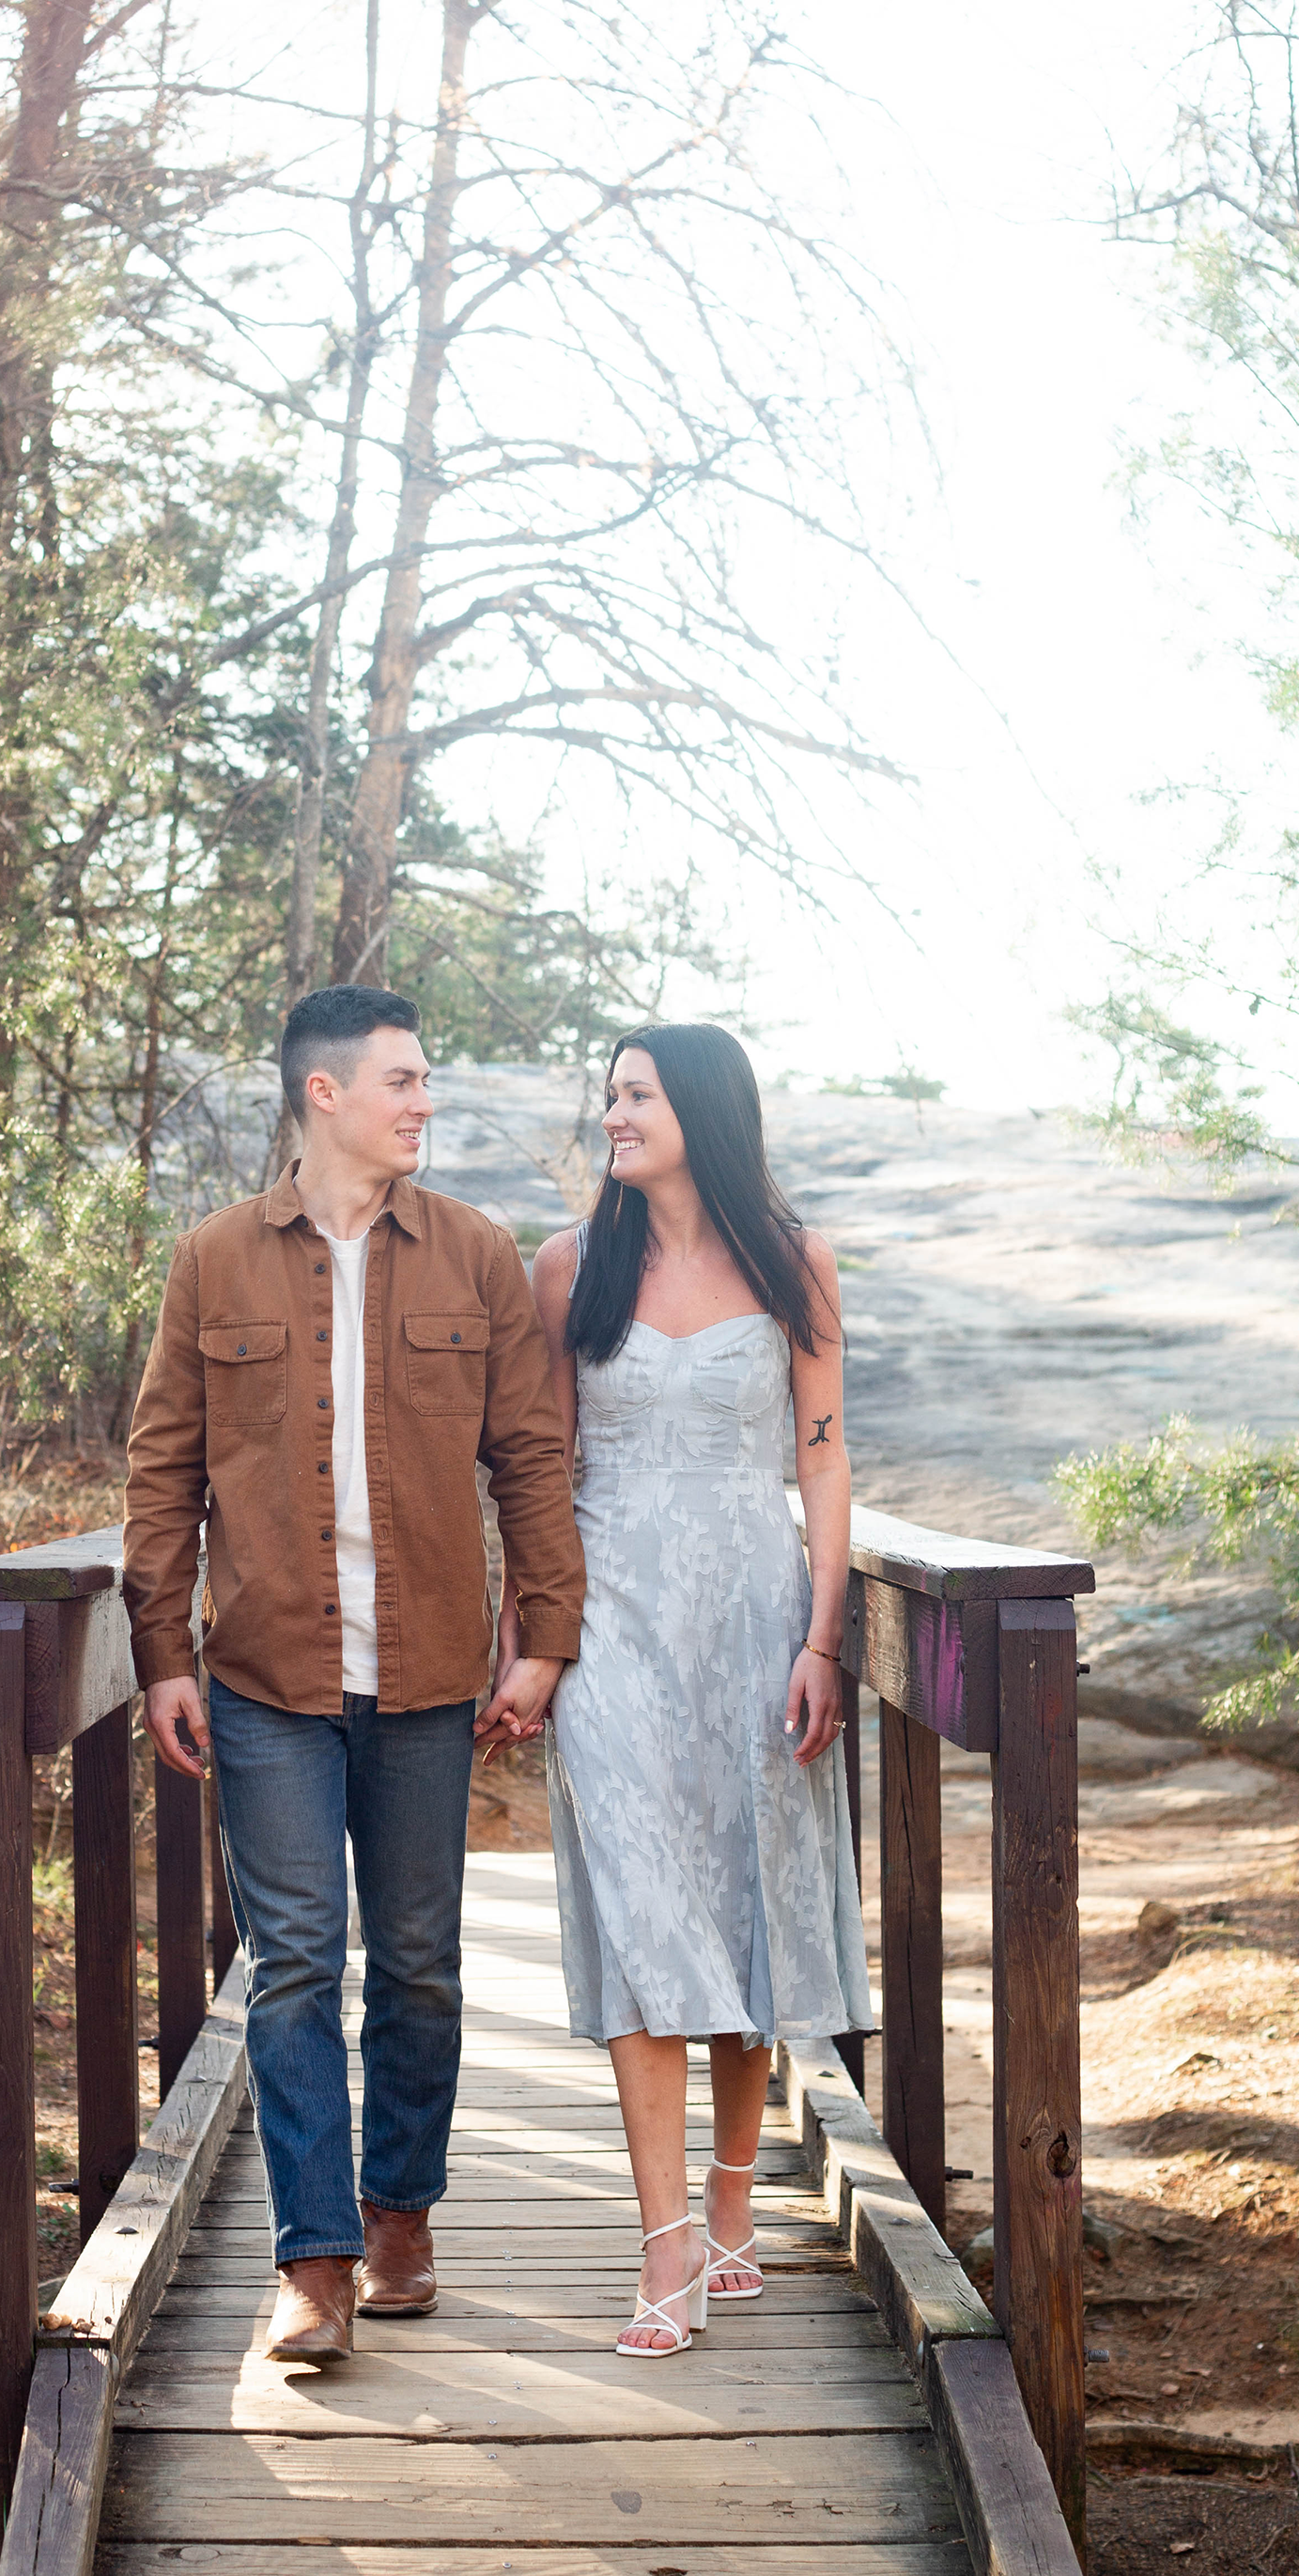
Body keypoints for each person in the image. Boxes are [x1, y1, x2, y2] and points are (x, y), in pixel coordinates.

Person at [123, 984, 584, 2366]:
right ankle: (311, 2266)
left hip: (434, 1674)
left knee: (422, 1967)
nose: (422, 1102)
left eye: (425, 1080)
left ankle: (401, 2216)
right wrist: (161, 1652)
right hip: (266, 1678)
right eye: (403, 1081)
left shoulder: (478, 1258)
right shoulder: (212, 1261)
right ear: (324, 1093)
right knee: (294, 1966)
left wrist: (543, 1632)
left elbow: (533, 1459)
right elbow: (161, 1473)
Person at [511, 1022, 873, 2357]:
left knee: (738, 1896)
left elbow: (825, 1463)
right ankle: (663, 2242)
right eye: (606, 1091)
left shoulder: (796, 1265)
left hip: (754, 1620)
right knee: (648, 1911)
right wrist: (533, 1642)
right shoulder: (566, 1269)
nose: (611, 1114)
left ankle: (734, 2199)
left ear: (704, 1111)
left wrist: (822, 1636)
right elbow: (538, 1470)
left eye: (636, 1094)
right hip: (611, 1628)